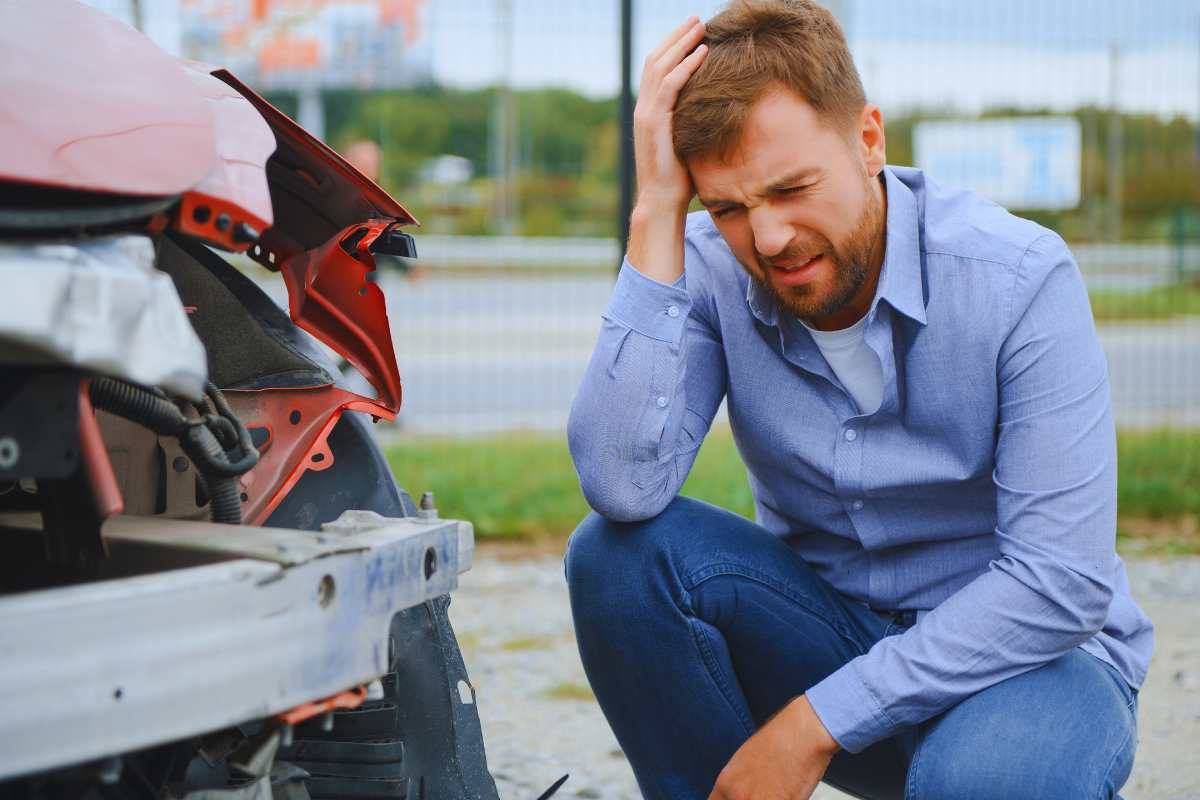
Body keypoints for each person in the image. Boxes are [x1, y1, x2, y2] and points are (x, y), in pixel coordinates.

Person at [563, 2, 1154, 798]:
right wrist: (655, 212)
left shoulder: (1018, 278)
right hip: (829, 637)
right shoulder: (709, 267)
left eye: (791, 188)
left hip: (1030, 668)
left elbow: (1060, 584)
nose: (768, 238)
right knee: (618, 558)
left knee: (978, 783)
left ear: (868, 140)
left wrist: (813, 726)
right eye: (728, 207)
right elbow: (620, 485)